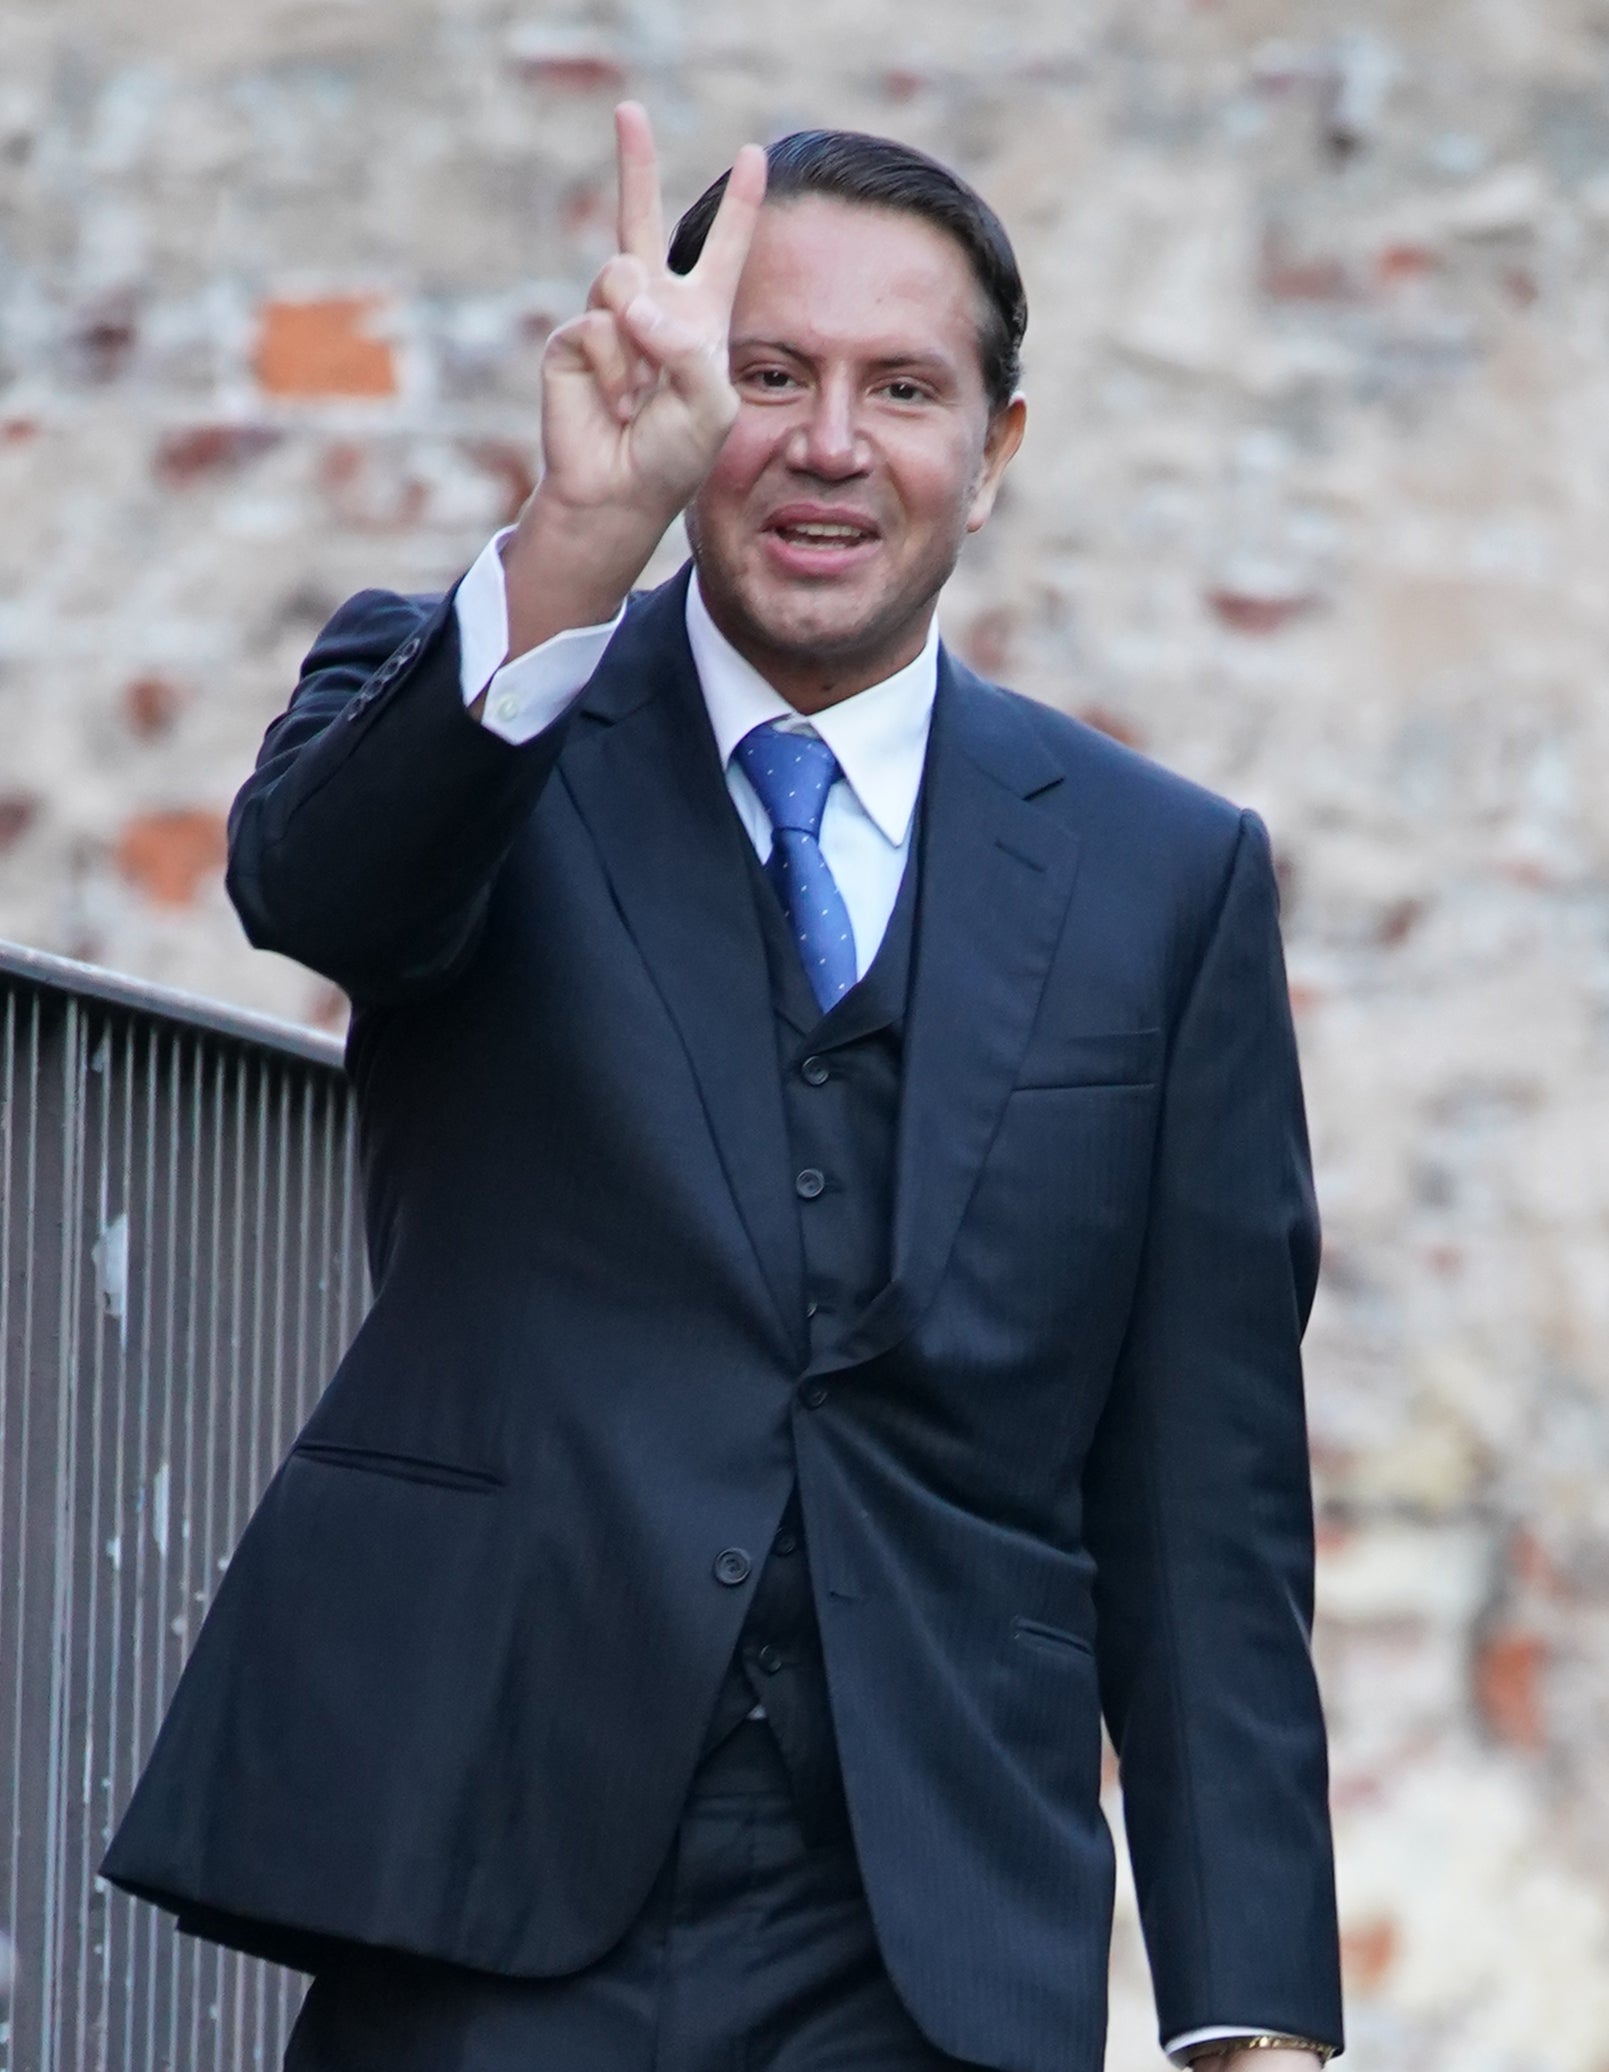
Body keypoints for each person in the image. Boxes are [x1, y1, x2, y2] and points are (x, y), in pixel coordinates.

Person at [103, 104, 1344, 2072]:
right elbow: (311, 887)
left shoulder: (1159, 877)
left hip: (926, 1930)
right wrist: (578, 536)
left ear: (995, 451)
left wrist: (1251, 2016)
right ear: (676, 398)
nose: (830, 444)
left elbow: (1209, 1500)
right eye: (765, 376)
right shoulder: (485, 706)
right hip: (480, 1865)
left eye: (902, 388)